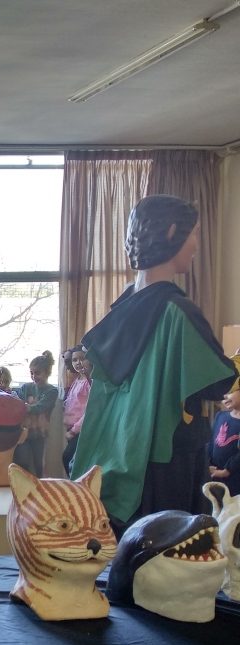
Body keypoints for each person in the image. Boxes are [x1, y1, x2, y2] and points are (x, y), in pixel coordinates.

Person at [74, 194, 235, 535]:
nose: (196, 245)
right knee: (171, 548)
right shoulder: (177, 311)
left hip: (118, 449)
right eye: (194, 234)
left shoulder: (123, 305)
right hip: (167, 456)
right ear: (173, 232)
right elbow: (217, 382)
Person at [13, 351, 58, 476]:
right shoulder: (25, 387)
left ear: (47, 372)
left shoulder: (51, 390)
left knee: (38, 463)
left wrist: (26, 407)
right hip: (23, 431)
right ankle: (22, 483)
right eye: (31, 373)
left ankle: (39, 484)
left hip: (39, 433)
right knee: (22, 461)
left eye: (37, 373)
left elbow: (41, 407)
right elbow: (18, 404)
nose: (33, 376)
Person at [208, 356, 240, 496]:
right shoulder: (220, 416)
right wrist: (207, 464)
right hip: (216, 477)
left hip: (235, 480)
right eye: (223, 393)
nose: (225, 396)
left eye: (230, 391)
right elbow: (210, 442)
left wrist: (227, 470)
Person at [62, 346, 92, 474]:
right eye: (74, 360)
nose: (78, 362)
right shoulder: (77, 380)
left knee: (67, 458)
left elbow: (90, 410)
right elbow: (72, 401)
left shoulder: (90, 382)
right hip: (71, 428)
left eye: (82, 358)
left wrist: (74, 431)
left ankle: (76, 484)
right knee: (72, 461)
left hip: (80, 430)